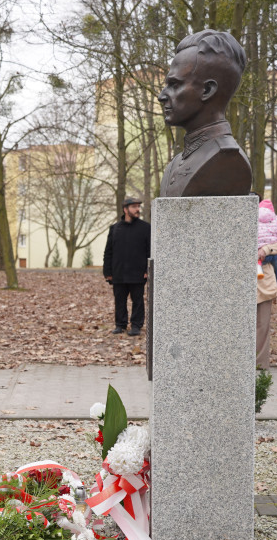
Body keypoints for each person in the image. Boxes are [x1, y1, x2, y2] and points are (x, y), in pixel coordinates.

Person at [158, 30, 252, 197]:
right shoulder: (176, 163)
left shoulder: (226, 160)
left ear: (207, 90)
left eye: (174, 85)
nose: (162, 96)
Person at [103, 196, 151, 336]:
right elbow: (108, 251)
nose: (137, 209)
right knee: (120, 300)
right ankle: (120, 325)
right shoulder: (115, 228)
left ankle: (136, 326)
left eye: (138, 206)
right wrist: (107, 272)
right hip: (119, 272)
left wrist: (147, 269)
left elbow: (150, 250)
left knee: (138, 301)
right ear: (125, 209)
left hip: (138, 273)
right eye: (134, 207)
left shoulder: (145, 228)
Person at [256, 233, 277, 369]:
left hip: (264, 284)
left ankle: (259, 364)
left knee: (262, 324)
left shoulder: (270, 224)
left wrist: (265, 249)